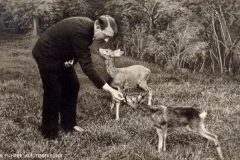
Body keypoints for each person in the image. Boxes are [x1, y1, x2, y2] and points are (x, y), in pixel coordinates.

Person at [32, 15, 124, 140]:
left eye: (109, 37)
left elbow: (77, 48)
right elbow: (87, 65)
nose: (107, 40)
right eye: (106, 35)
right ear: (97, 26)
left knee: (73, 85)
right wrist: (110, 89)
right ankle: (49, 133)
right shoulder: (81, 30)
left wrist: (72, 59)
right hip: (46, 53)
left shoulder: (90, 31)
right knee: (53, 92)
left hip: (60, 56)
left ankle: (68, 125)